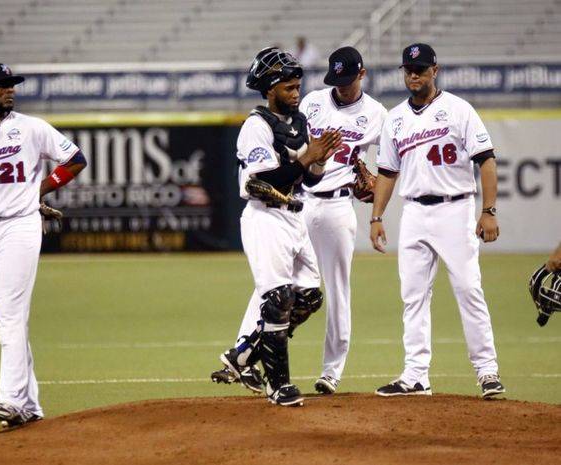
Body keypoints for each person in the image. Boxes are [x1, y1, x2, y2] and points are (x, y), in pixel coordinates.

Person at [211, 47, 387, 395]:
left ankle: (330, 372)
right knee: (274, 289)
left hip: (335, 206)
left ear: (361, 75)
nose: (341, 86)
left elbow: (388, 166)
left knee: (327, 293)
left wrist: (373, 192)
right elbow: (290, 167)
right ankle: (247, 357)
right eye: (335, 80)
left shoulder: (377, 114)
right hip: (295, 203)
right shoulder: (309, 105)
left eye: (347, 79)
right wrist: (311, 159)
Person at [0, 63, 87, 426]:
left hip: (20, 227)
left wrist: (42, 187)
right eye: (2, 85)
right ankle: (30, 405)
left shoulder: (30, 127)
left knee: (9, 316)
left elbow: (75, 159)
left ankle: (9, 399)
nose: (10, 90)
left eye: (12, 85)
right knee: (9, 319)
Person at [369, 43, 505, 399]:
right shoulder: (395, 118)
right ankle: (416, 375)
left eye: (421, 69)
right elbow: (386, 171)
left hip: (455, 207)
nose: (414, 75)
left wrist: (488, 210)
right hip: (413, 210)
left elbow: (486, 161)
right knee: (412, 295)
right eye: (408, 70)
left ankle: (487, 372)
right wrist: (376, 216)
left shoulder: (458, 109)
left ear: (435, 70)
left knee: (468, 289)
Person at [216, 47, 341, 407]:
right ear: (270, 89)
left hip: (294, 217)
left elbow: (309, 180)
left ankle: (241, 357)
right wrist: (308, 160)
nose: (295, 91)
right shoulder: (256, 126)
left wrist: (318, 163)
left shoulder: (299, 122)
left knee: (309, 297)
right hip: (265, 216)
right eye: (288, 87)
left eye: (297, 85)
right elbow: (264, 179)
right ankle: (278, 385)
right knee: (278, 298)